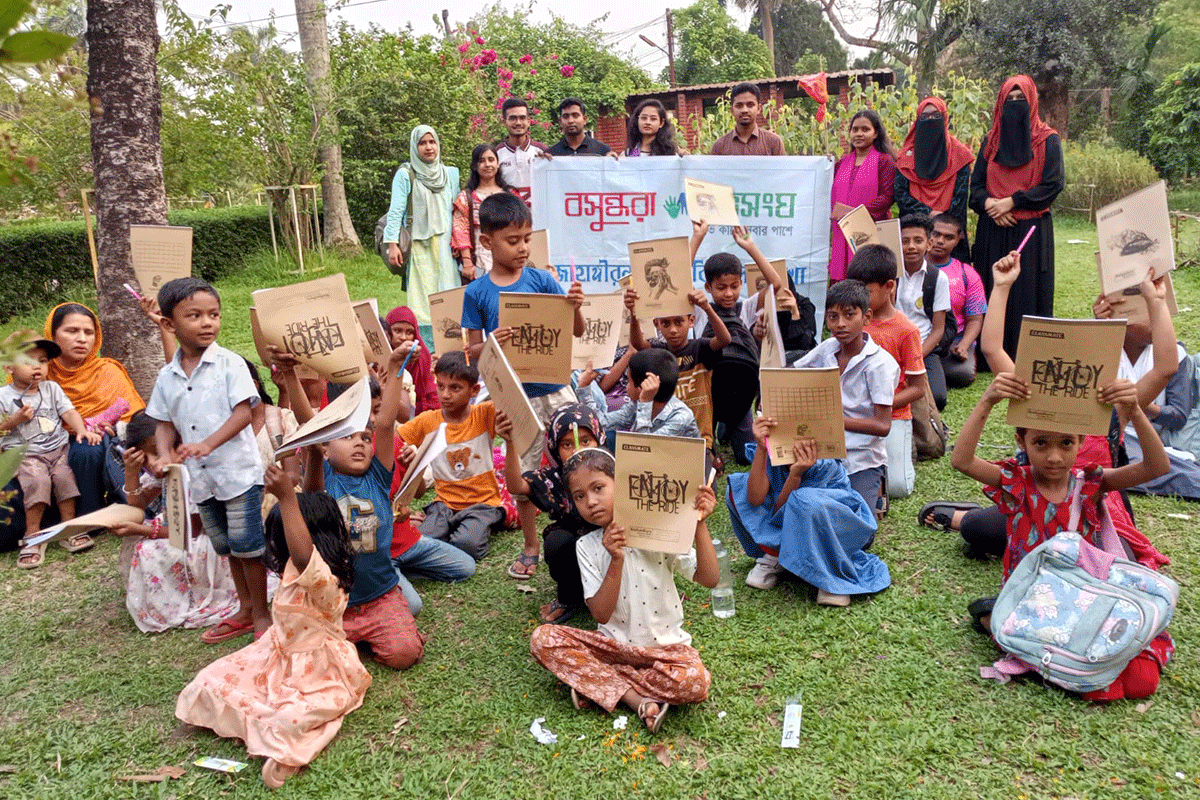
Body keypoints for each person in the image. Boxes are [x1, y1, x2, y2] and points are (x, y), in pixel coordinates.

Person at [950, 306, 1173, 701]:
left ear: (1081, 443)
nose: (1054, 457)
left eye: (1066, 444)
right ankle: (997, 616)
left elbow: (1156, 466)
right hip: (1034, 598)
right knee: (1090, 671)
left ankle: (993, 616)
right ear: (1022, 442)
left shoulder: (1090, 485)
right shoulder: (1017, 482)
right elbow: (962, 461)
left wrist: (1135, 410)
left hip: (1083, 593)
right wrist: (986, 402)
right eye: (1040, 444)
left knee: (1141, 679)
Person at [921, 258, 1175, 575]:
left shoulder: (1112, 406)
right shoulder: (1033, 395)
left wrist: (1156, 300)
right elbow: (992, 351)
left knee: (1117, 566)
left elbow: (1165, 369)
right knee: (979, 531)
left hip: (1092, 503)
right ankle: (963, 517)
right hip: (1036, 496)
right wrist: (1001, 288)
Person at [175, 466, 372, 789]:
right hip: (276, 655)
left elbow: (303, 549)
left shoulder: (323, 578)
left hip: (318, 671)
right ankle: (253, 727)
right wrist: (309, 454)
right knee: (208, 679)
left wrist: (285, 498)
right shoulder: (300, 567)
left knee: (288, 721)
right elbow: (316, 502)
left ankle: (282, 751)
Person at [529, 447, 719, 733]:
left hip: (666, 651)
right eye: (580, 496)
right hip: (613, 648)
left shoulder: (658, 530)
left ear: (623, 484)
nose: (591, 501)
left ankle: (597, 682)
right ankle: (635, 699)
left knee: (695, 682)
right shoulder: (587, 546)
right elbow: (602, 615)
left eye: (599, 488)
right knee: (543, 638)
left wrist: (699, 525)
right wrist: (615, 559)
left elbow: (709, 578)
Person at [461, 192, 585, 580]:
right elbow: (471, 352)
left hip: (556, 388)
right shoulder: (476, 292)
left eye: (527, 238)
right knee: (525, 473)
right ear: (487, 242)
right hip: (515, 397)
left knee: (577, 458)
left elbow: (575, 333)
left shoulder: (542, 279)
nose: (523, 247)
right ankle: (532, 545)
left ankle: (583, 530)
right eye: (513, 241)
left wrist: (574, 307)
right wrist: (493, 340)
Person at [145, 277, 271, 643]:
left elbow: (244, 414)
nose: (207, 323)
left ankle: (261, 612)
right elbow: (163, 421)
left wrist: (206, 444)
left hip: (237, 474)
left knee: (249, 545)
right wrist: (167, 453)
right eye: (195, 315)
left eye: (213, 314)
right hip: (201, 480)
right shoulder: (167, 376)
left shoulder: (230, 364)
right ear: (169, 325)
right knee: (225, 545)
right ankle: (244, 608)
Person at [286, 344, 425, 670]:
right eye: (347, 437)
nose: (360, 442)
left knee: (404, 654)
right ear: (325, 445)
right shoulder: (323, 480)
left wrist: (395, 366)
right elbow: (308, 423)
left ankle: (373, 635)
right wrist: (291, 375)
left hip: (381, 596)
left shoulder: (378, 474)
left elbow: (387, 422)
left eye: (364, 437)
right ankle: (348, 641)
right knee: (311, 662)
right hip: (334, 603)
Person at [726, 419, 890, 606]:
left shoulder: (825, 464)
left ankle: (829, 571)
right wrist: (762, 449)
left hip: (829, 528)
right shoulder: (773, 452)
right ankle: (776, 556)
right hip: (786, 522)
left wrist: (796, 474)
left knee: (804, 502)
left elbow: (792, 513)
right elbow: (754, 499)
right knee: (737, 487)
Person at [110, 411, 239, 633]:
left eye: (155, 453)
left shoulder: (195, 470)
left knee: (148, 549)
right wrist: (131, 473)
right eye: (144, 457)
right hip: (179, 528)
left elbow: (193, 529)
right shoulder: (166, 469)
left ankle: (179, 600)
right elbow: (137, 505)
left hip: (207, 539)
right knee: (142, 542)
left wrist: (142, 529)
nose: (152, 463)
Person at [969, 75, 1064, 364]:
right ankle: (989, 356)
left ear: (1032, 101)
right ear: (1000, 103)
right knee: (992, 289)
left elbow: (1052, 185)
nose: (1014, 105)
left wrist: (1011, 202)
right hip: (993, 229)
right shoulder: (991, 142)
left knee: (1027, 293)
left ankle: (1028, 354)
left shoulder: (1047, 140)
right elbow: (975, 188)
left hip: (1030, 231)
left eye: (1020, 99)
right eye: (1008, 100)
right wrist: (990, 205)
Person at [794, 279, 898, 518]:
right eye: (832, 317)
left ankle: (878, 482)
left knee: (861, 529)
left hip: (861, 458)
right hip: (821, 452)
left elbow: (883, 426)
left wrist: (831, 420)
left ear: (867, 317)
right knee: (800, 508)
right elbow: (795, 371)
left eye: (849, 315)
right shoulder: (827, 349)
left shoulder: (880, 364)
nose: (840, 324)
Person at [687, 221, 784, 463]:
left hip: (741, 392)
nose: (729, 293)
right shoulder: (700, 308)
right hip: (707, 391)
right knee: (703, 455)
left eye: (734, 286)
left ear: (741, 283)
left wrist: (750, 247)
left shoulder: (747, 307)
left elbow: (776, 284)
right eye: (721, 288)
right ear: (708, 287)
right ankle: (717, 430)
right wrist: (697, 237)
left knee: (746, 457)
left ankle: (729, 428)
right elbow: (677, 282)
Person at [497, 403, 604, 624]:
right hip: (576, 546)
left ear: (598, 439)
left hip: (612, 543)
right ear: (555, 448)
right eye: (567, 444)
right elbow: (517, 487)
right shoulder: (555, 478)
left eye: (585, 441)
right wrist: (510, 443)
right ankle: (570, 597)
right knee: (557, 542)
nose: (577, 449)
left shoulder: (612, 470)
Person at [397, 350, 507, 561]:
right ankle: (449, 529)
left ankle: (471, 528)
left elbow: (507, 397)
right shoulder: (427, 421)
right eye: (441, 386)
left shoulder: (484, 414)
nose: (446, 394)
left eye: (455, 387)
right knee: (422, 539)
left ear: (474, 390)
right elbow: (395, 439)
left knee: (467, 545)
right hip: (444, 503)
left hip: (482, 503)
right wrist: (407, 452)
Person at [2, 335, 102, 568]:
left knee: (66, 480)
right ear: (8, 366)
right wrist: (13, 420)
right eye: (28, 361)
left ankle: (68, 528)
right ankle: (33, 534)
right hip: (25, 454)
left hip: (57, 449)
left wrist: (81, 431)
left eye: (43, 361)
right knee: (37, 482)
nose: (37, 367)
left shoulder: (51, 388)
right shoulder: (3, 396)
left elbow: (68, 412)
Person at [43, 302, 144, 514]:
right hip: (48, 439)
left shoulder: (106, 370)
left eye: (89, 332)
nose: (82, 339)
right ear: (52, 334)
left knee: (87, 449)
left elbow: (131, 414)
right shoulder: (39, 372)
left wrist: (109, 426)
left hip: (97, 438)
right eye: (72, 331)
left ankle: (90, 513)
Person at [846, 245, 928, 500]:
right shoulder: (850, 321)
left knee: (897, 488)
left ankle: (905, 449)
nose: (858, 298)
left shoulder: (906, 329)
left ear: (889, 286)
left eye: (866, 291)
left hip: (893, 416)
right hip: (853, 414)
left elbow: (917, 387)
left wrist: (884, 403)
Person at [383, 125, 461, 346]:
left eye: (432, 142)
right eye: (422, 143)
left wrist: (460, 243)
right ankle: (426, 350)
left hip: (447, 244)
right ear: (415, 147)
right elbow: (396, 210)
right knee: (423, 300)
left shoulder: (450, 173)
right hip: (419, 245)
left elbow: (457, 210)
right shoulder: (406, 174)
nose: (428, 147)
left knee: (449, 294)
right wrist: (392, 244)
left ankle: (451, 348)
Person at [894, 97, 974, 263]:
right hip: (914, 235)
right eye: (924, 117)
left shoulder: (959, 155)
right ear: (917, 120)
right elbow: (901, 195)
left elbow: (960, 198)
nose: (930, 120)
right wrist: (928, 213)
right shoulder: (906, 157)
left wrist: (941, 220)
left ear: (944, 119)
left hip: (949, 235)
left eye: (935, 116)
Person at [829, 110, 896, 281]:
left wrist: (852, 213)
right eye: (855, 129)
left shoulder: (884, 161)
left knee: (869, 280)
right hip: (842, 232)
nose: (859, 134)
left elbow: (887, 197)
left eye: (865, 129)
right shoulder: (841, 164)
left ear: (875, 133)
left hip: (872, 230)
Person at [578, 347, 701, 439]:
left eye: (629, 382)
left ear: (642, 388)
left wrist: (645, 403)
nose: (626, 387)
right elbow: (602, 422)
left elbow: (643, 450)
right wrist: (585, 387)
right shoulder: (636, 405)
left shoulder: (680, 417)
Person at [895, 213, 951, 411]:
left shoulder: (938, 279)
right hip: (892, 347)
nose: (911, 247)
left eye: (918, 241)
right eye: (905, 241)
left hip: (923, 348)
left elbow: (938, 330)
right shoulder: (889, 275)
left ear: (929, 244)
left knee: (938, 397)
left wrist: (916, 356)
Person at [929, 214, 986, 389]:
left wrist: (964, 345)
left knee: (962, 374)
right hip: (917, 338)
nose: (940, 241)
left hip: (952, 342)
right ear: (927, 234)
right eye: (936, 234)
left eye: (948, 237)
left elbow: (975, 319)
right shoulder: (910, 268)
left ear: (957, 240)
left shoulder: (967, 273)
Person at [451, 143, 520, 280]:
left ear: (498, 163)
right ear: (475, 166)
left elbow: (521, 227)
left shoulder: (511, 195)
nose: (487, 164)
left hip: (509, 256)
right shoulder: (466, 198)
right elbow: (460, 230)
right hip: (479, 258)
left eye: (491, 159)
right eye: (481, 161)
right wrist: (467, 262)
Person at [384, 306, 439, 414]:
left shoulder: (421, 357)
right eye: (397, 331)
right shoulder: (379, 356)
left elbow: (429, 392)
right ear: (387, 332)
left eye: (409, 332)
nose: (404, 337)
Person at [495, 98, 548, 204]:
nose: (518, 123)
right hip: (508, 214)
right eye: (513, 118)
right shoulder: (496, 154)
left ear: (528, 121)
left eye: (522, 118)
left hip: (538, 215)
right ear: (504, 122)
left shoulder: (542, 151)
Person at [709, 83, 784, 156]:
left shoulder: (773, 142)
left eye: (750, 105)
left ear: (759, 108)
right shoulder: (719, 147)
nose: (744, 110)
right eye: (739, 106)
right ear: (732, 110)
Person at [546, 98, 612, 157]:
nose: (570, 121)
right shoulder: (552, 154)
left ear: (585, 119)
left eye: (575, 116)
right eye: (566, 116)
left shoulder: (602, 151)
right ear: (560, 121)